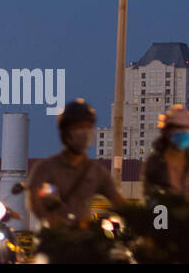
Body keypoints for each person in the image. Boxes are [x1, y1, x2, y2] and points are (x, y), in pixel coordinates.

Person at [26, 98, 125, 229]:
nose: (85, 132)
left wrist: (138, 219)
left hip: (84, 238)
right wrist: (50, 220)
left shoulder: (96, 171)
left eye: (88, 127)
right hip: (52, 237)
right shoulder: (46, 168)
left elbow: (118, 201)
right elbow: (34, 201)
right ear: (66, 132)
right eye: (79, 127)